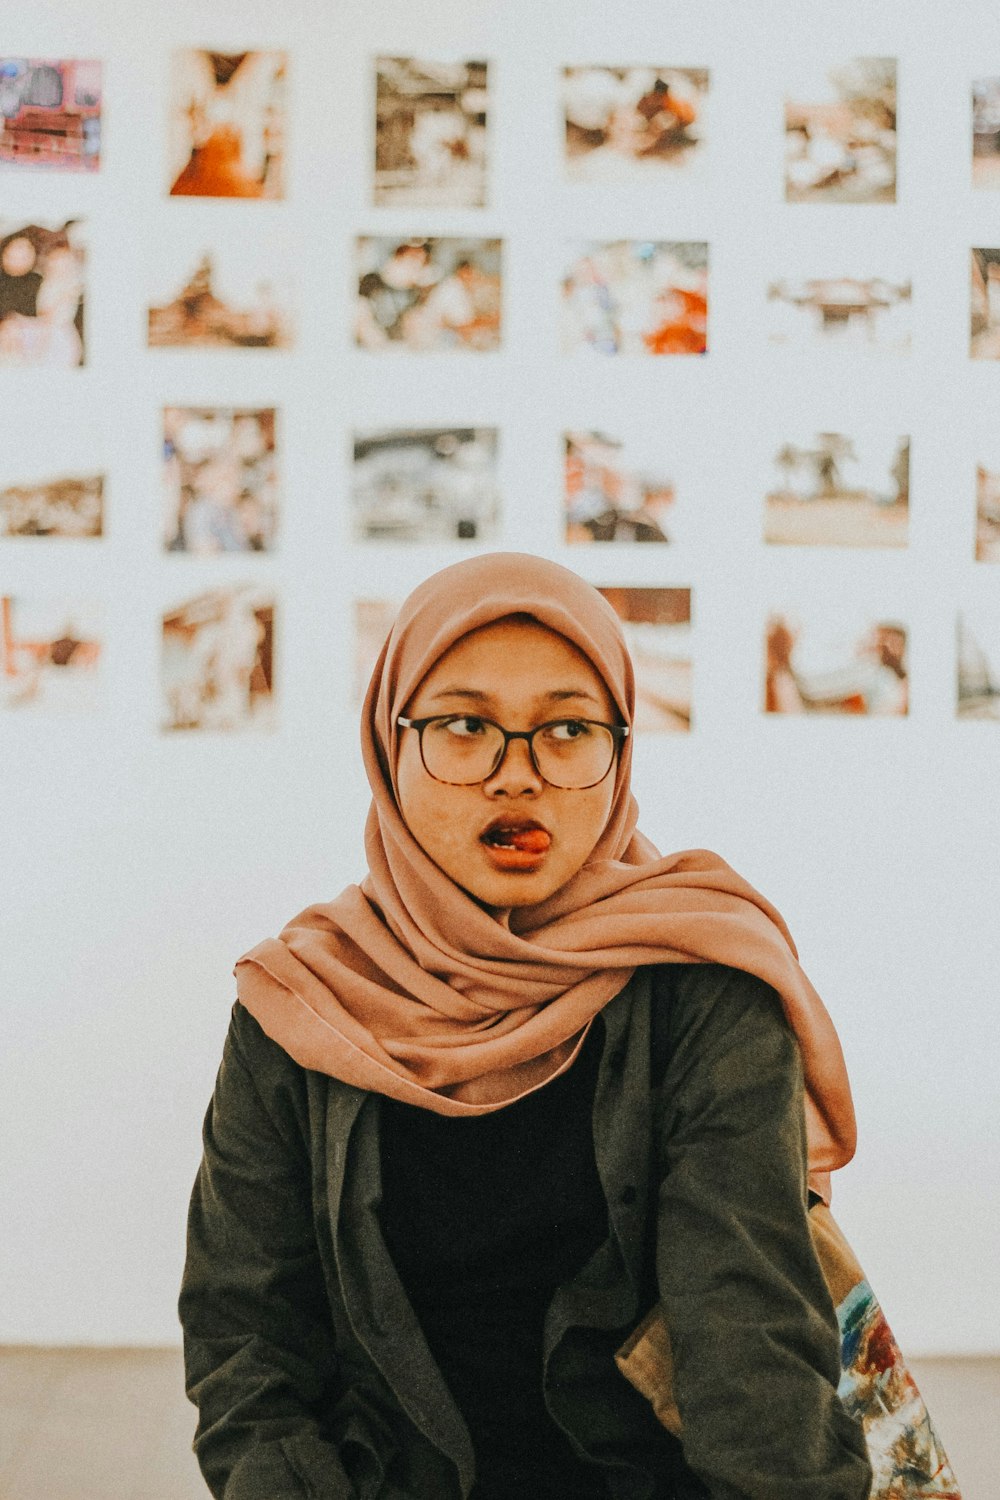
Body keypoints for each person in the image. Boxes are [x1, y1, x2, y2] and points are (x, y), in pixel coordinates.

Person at [179, 551, 872, 1499]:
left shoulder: (705, 992)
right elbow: (249, 1346)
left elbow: (747, 1342)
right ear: (391, 743)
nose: (517, 775)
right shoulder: (300, 1007)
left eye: (567, 729)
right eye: (465, 727)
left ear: (620, 751)